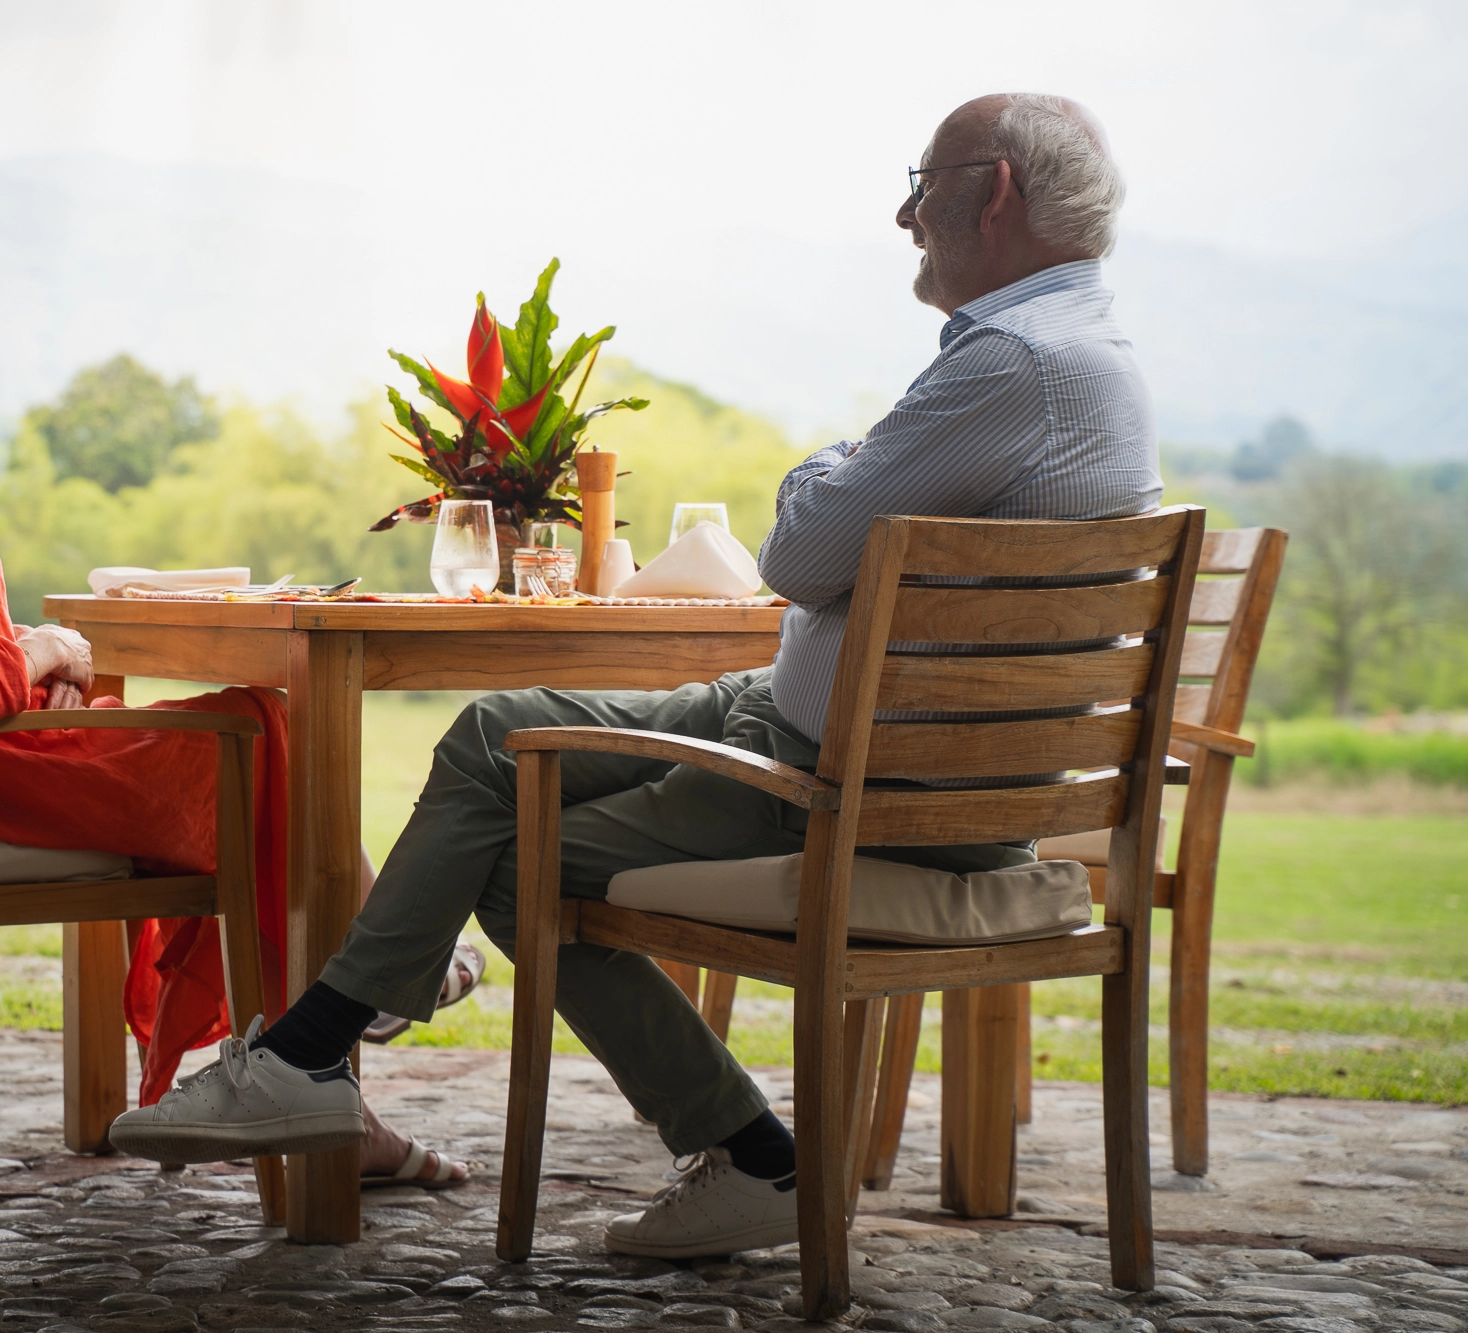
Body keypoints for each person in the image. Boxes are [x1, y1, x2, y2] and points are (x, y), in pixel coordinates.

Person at [109, 92, 1166, 1257]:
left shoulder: (1013, 363)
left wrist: (827, 462)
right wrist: (852, 474)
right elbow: (833, 555)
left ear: (996, 190)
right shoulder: (1081, 356)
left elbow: (801, 551)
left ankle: (334, 1057)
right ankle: (331, 1051)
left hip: (849, 783)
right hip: (798, 726)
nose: (903, 211)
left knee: (511, 835)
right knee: (493, 743)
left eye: (922, 180)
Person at [0, 187, 466, 1187]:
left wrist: (25, 648)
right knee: (259, 728)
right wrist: (45, 649)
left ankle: (352, 1006)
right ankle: (359, 991)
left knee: (255, 733)